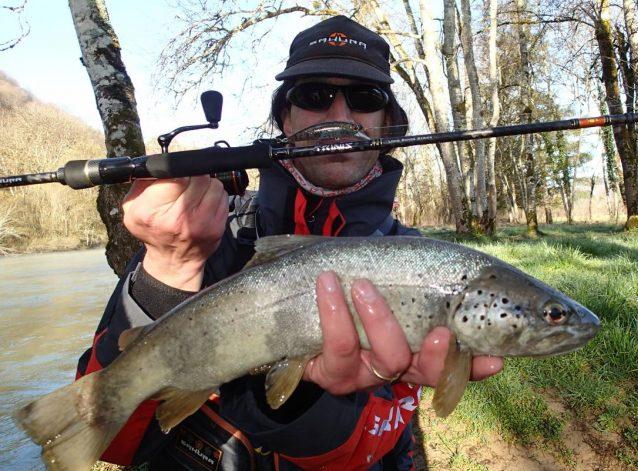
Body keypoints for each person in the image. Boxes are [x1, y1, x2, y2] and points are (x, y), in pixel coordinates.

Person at [76, 15, 503, 470]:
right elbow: (106, 443)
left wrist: (302, 397)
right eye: (314, 96)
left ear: (387, 125)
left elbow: (363, 453)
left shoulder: (423, 270)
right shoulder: (200, 233)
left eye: (364, 98)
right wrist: (168, 270)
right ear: (285, 117)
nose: (339, 117)